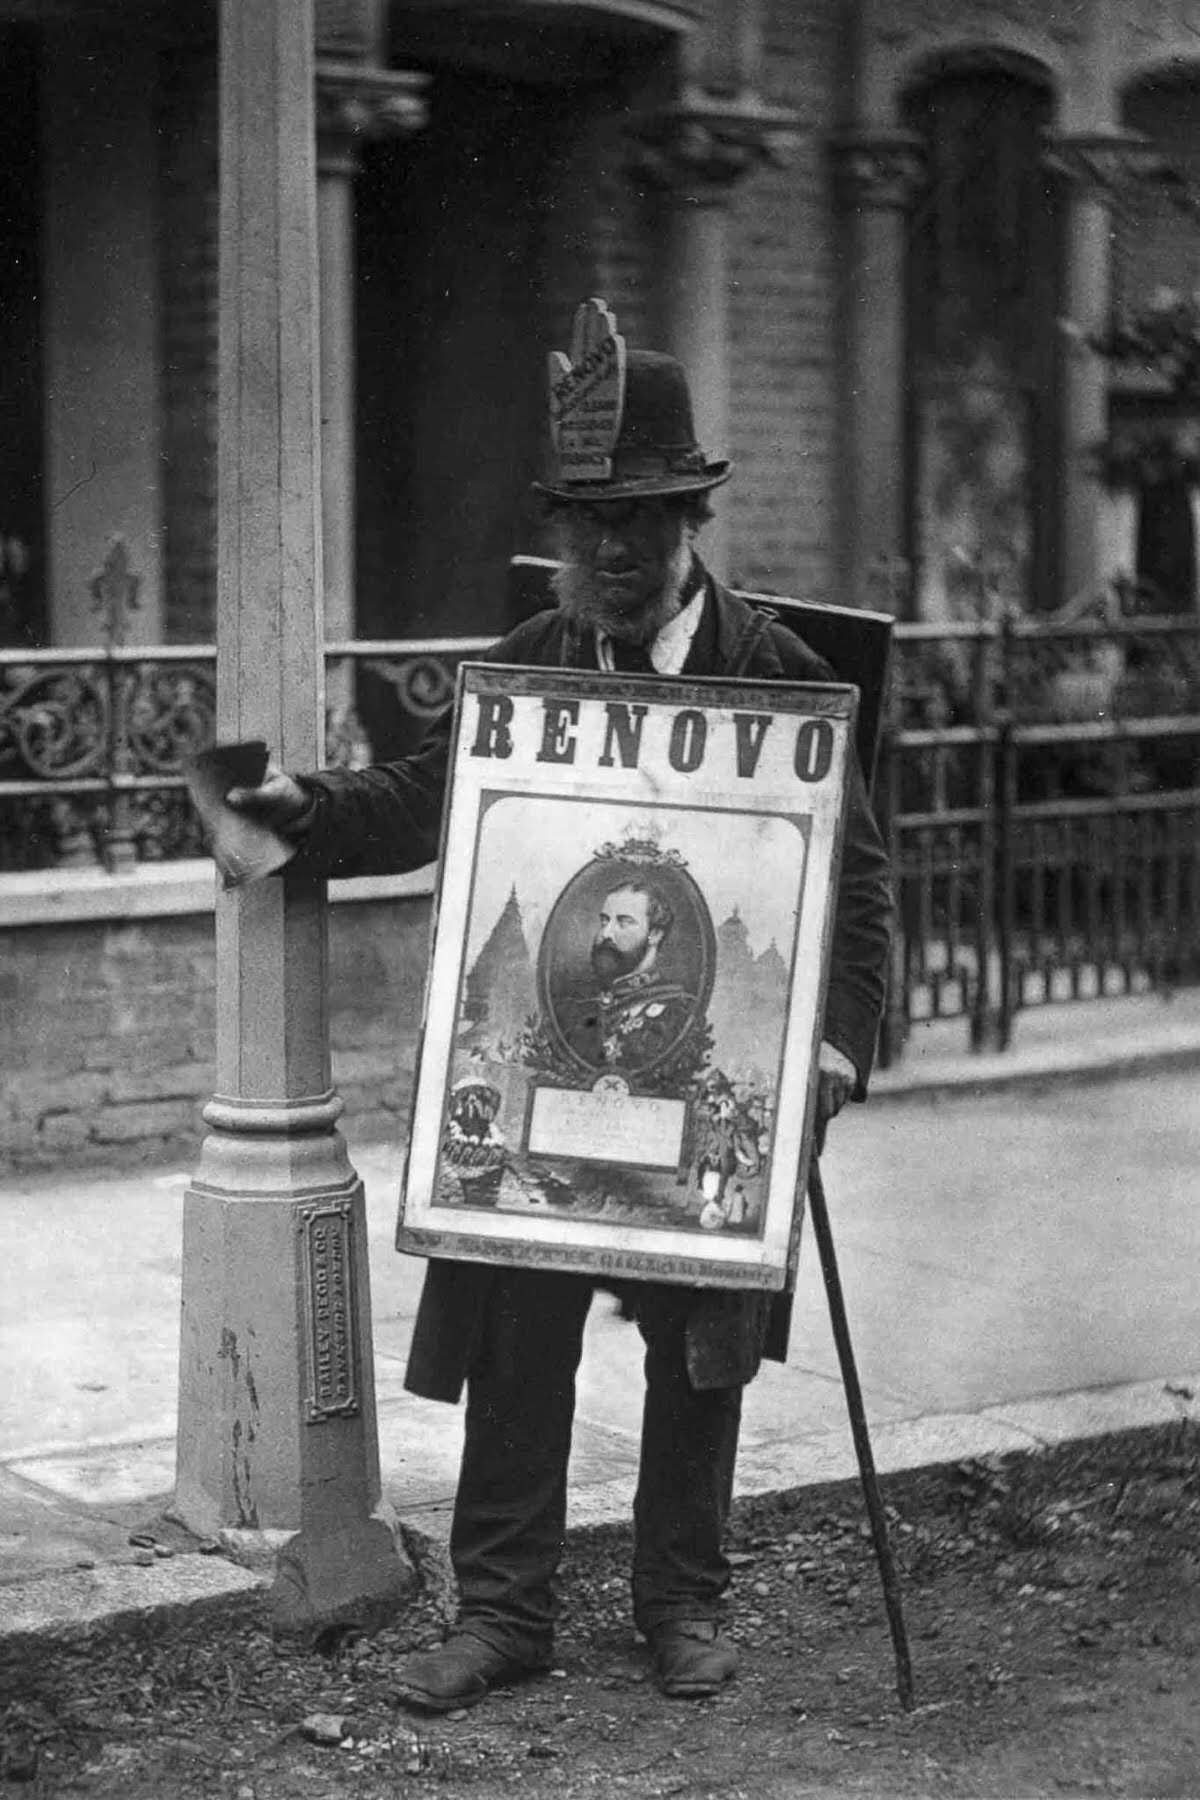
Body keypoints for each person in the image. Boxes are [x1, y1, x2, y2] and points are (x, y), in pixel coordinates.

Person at [224, 306, 893, 1713]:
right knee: (519, 1331)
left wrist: (834, 1048)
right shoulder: (538, 648)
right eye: (588, 530)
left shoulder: (774, 677)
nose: (610, 558)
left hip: (704, 1074)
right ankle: (506, 1617)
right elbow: (429, 796)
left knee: (696, 1345)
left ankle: (681, 1608)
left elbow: (863, 889)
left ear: (693, 524)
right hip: (553, 1071)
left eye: (639, 529)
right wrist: (307, 809)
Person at [555, 874, 699, 1077]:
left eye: (623, 922)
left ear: (655, 934)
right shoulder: (579, 1007)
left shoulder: (678, 1013)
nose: (606, 934)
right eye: (605, 921)